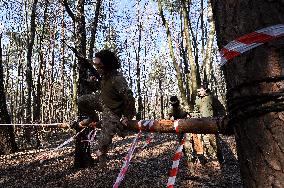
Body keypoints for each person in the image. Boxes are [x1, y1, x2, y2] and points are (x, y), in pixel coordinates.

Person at [93, 49, 136, 167]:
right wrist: (92, 82)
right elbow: (102, 88)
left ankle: (101, 165)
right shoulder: (104, 77)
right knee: (82, 101)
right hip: (103, 104)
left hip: (114, 111)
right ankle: (92, 119)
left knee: (104, 140)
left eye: (99, 65)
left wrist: (127, 116)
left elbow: (129, 98)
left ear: (107, 64)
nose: (97, 68)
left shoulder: (117, 79)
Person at [195, 83, 225, 163]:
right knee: (205, 141)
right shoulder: (197, 100)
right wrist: (195, 117)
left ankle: (220, 159)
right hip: (202, 124)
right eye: (198, 91)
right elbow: (196, 111)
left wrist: (220, 119)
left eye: (201, 90)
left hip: (212, 124)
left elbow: (221, 109)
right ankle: (212, 159)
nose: (199, 92)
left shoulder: (211, 98)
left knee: (214, 142)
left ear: (205, 90)